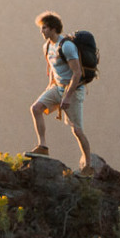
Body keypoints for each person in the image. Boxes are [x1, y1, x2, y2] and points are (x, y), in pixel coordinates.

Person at [27, 11, 95, 175]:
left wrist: (67, 96)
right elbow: (51, 67)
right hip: (57, 88)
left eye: (44, 28)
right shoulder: (47, 46)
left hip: (73, 90)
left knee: (77, 131)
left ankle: (88, 165)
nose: (41, 31)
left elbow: (77, 73)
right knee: (36, 108)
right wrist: (50, 85)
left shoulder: (67, 46)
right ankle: (43, 146)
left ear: (53, 28)